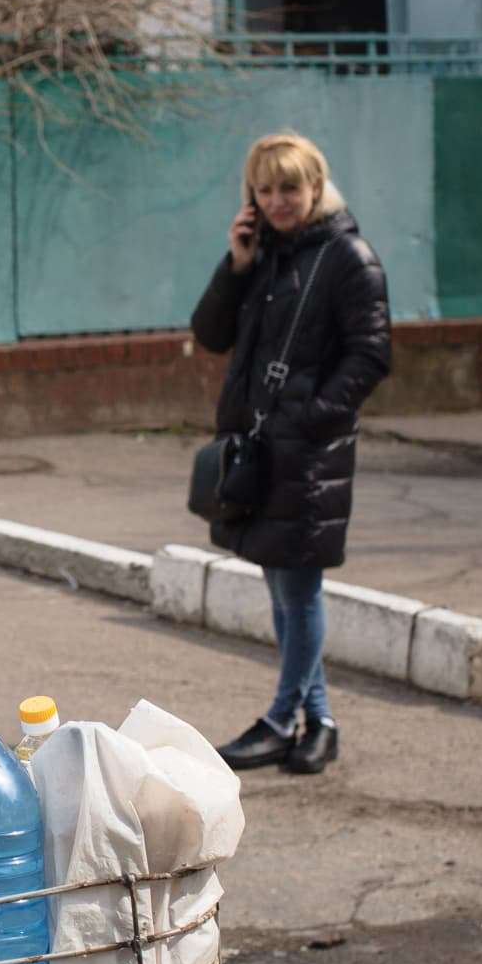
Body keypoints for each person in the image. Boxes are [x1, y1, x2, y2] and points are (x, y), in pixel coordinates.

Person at [191, 131, 392, 777]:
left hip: (307, 452)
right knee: (282, 586)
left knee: (298, 590)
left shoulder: (347, 257)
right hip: (260, 449)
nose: (278, 201)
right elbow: (210, 333)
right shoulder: (266, 256)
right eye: (265, 190)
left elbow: (371, 354)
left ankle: (281, 720)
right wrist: (237, 263)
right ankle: (320, 721)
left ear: (316, 187)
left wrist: (310, 417)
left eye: (290, 188)